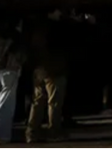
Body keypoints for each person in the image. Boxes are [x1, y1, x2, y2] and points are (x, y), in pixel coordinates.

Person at [26, 9, 71, 143]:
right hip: (54, 69)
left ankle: (32, 132)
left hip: (39, 69)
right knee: (54, 102)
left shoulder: (38, 28)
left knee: (37, 101)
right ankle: (54, 131)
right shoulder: (56, 29)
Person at [0, 17, 26, 144]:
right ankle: (0, 135)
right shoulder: (16, 36)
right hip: (9, 70)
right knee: (5, 104)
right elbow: (19, 53)